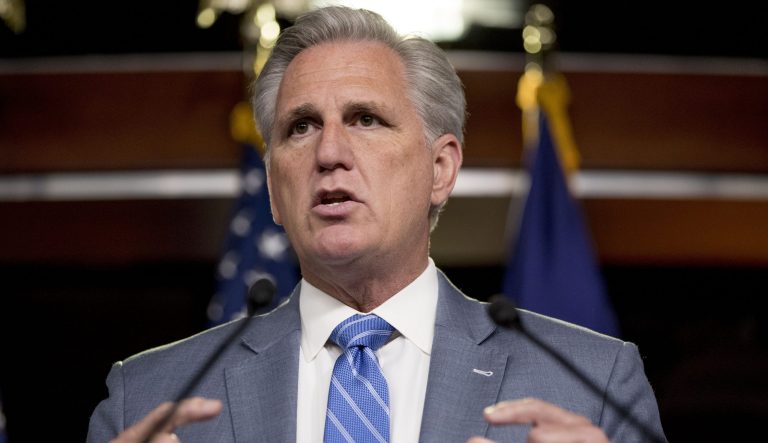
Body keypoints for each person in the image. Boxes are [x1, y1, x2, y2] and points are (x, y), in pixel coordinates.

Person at [87, 6, 666, 443]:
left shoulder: (595, 385)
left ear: (441, 168)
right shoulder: (148, 397)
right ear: (272, 188)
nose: (329, 152)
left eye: (365, 119)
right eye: (300, 127)